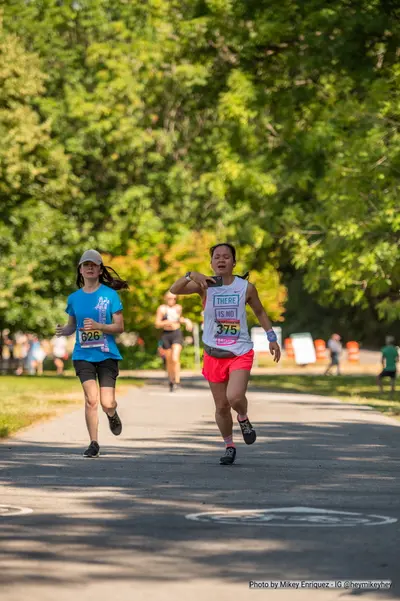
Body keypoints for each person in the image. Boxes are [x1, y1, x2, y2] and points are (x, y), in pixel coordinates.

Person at [169, 242, 281, 465]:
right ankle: (229, 446)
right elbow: (175, 289)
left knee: (234, 397)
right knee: (221, 406)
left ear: (233, 262)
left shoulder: (245, 288)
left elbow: (259, 311)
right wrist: (191, 274)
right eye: (216, 257)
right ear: (211, 263)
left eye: (226, 257)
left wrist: (271, 338)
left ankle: (243, 417)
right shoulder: (205, 286)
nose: (221, 260)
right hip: (213, 354)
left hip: (239, 351)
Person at [55, 249, 129, 458]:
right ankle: (93, 443)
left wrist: (99, 326)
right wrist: (65, 330)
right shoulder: (74, 298)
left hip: (106, 355)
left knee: (107, 402)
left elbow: (119, 327)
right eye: (85, 264)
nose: (89, 268)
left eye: (93, 265)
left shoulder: (110, 295)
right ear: (80, 270)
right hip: (82, 355)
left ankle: (112, 414)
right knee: (91, 400)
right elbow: (73, 326)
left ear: (99, 269)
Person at [155, 291, 193, 392]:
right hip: (166, 335)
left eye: (174, 298)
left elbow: (179, 319)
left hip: (176, 334)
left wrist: (187, 321)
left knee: (175, 358)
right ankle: (171, 381)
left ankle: (177, 381)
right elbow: (157, 323)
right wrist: (166, 322)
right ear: (166, 298)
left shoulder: (178, 308)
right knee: (169, 360)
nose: (172, 300)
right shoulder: (162, 309)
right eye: (170, 298)